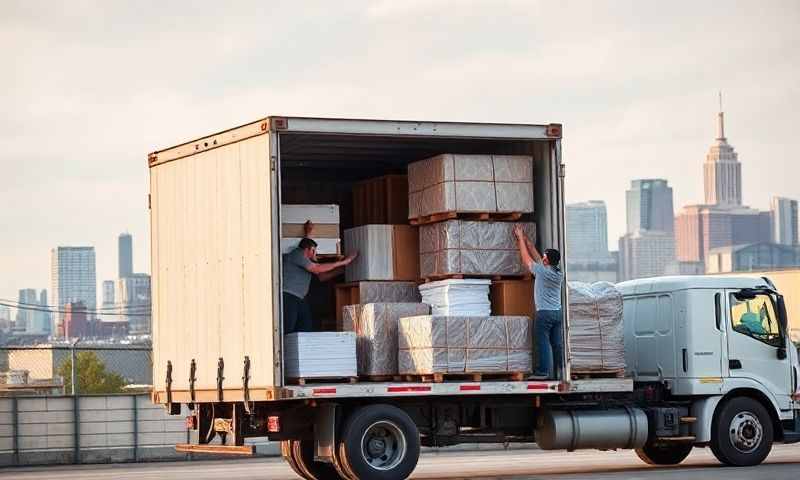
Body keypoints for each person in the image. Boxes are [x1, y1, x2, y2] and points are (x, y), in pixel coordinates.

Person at [283, 220, 358, 334]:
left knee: (306, 328)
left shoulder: (305, 257)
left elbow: (321, 276)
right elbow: (317, 268)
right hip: (289, 296)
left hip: (300, 298)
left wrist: (341, 271)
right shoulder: (297, 254)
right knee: (288, 328)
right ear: (306, 250)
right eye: (313, 251)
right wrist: (344, 262)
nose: (315, 254)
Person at [513, 224, 564, 380]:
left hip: (544, 313)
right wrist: (528, 241)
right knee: (556, 343)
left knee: (542, 342)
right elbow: (537, 257)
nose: (542, 258)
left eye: (544, 257)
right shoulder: (557, 272)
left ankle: (543, 372)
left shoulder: (542, 271)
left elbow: (527, 259)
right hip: (557, 313)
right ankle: (560, 370)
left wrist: (521, 238)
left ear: (546, 260)